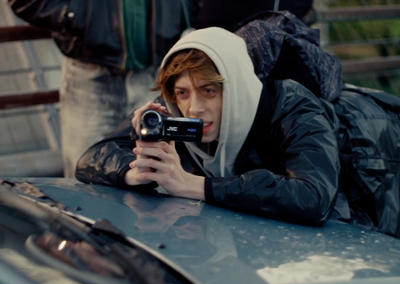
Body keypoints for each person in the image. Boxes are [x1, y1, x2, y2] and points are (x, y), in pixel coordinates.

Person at [8, 1, 315, 178]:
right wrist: (75, 16)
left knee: (160, 173)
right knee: (87, 173)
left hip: (162, 66)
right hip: (90, 69)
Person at [76, 27, 340, 226]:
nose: (194, 109)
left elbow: (313, 197)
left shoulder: (293, 108)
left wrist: (192, 185)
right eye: (182, 93)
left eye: (209, 90)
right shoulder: (172, 110)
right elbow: (89, 158)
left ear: (233, 87)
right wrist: (138, 171)